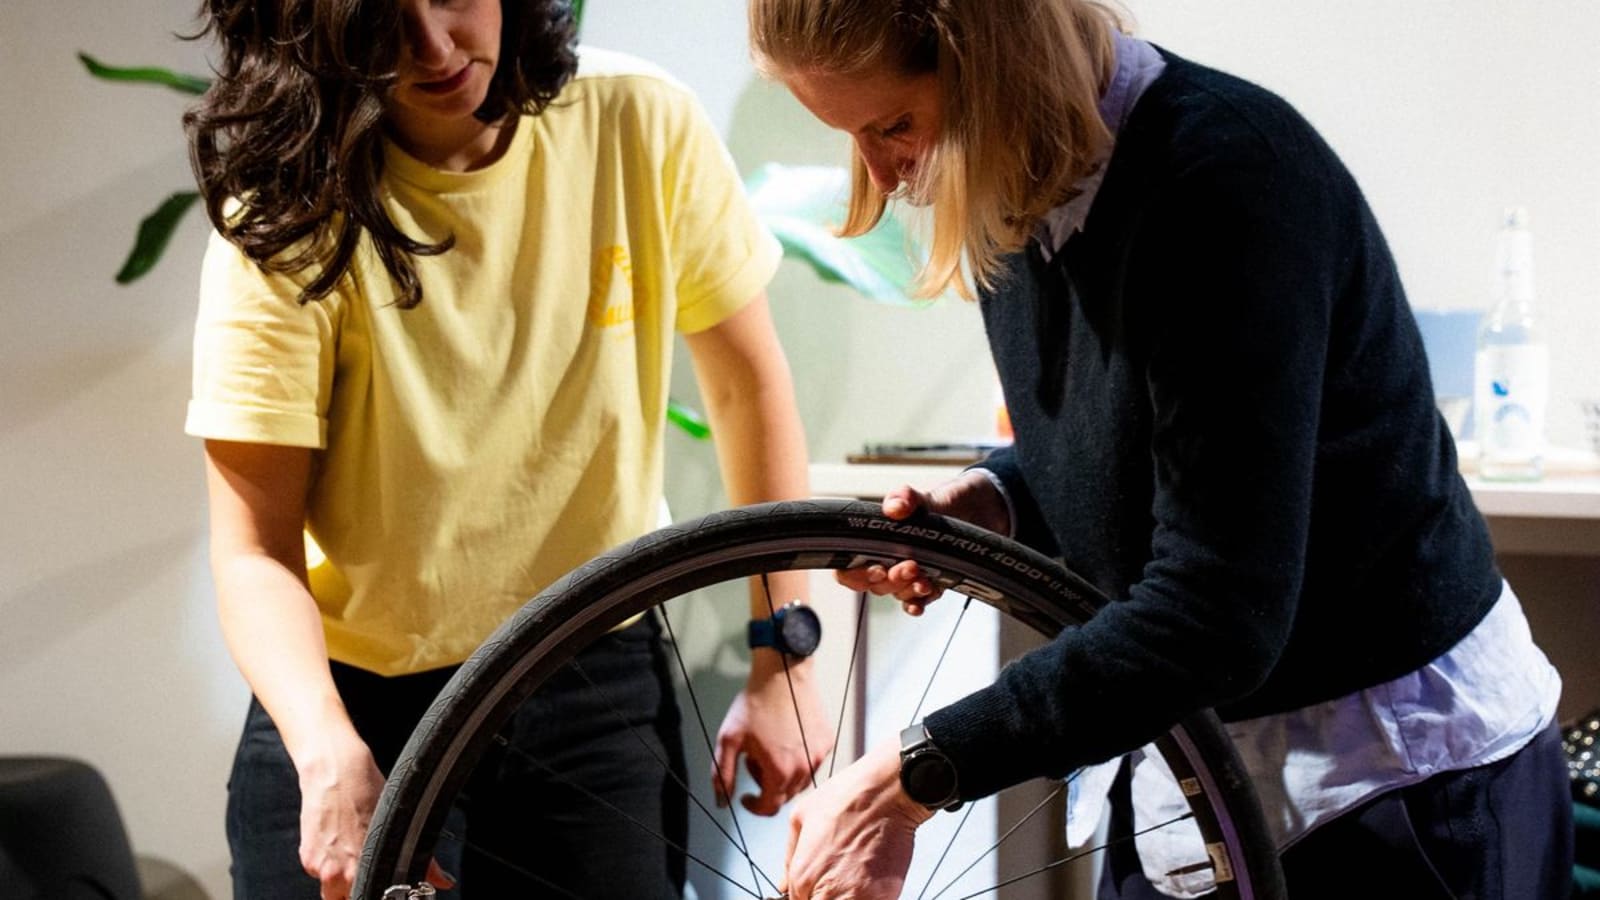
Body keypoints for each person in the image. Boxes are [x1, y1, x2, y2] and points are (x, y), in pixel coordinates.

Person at [748, 1, 1574, 898]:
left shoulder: (1224, 181)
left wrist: (913, 776)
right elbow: (1164, 448)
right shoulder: (1016, 185)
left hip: (1396, 779)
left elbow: (1217, 613)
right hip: (1199, 761)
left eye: (895, 123)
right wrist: (996, 499)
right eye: (852, 135)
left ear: (992, 55)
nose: (883, 170)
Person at [182, 1, 833, 897]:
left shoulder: (634, 119)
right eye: (379, 17)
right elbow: (255, 549)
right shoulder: (288, 206)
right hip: (363, 696)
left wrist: (785, 656)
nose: (434, 46)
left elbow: (745, 388)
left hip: (592, 674)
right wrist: (327, 750)